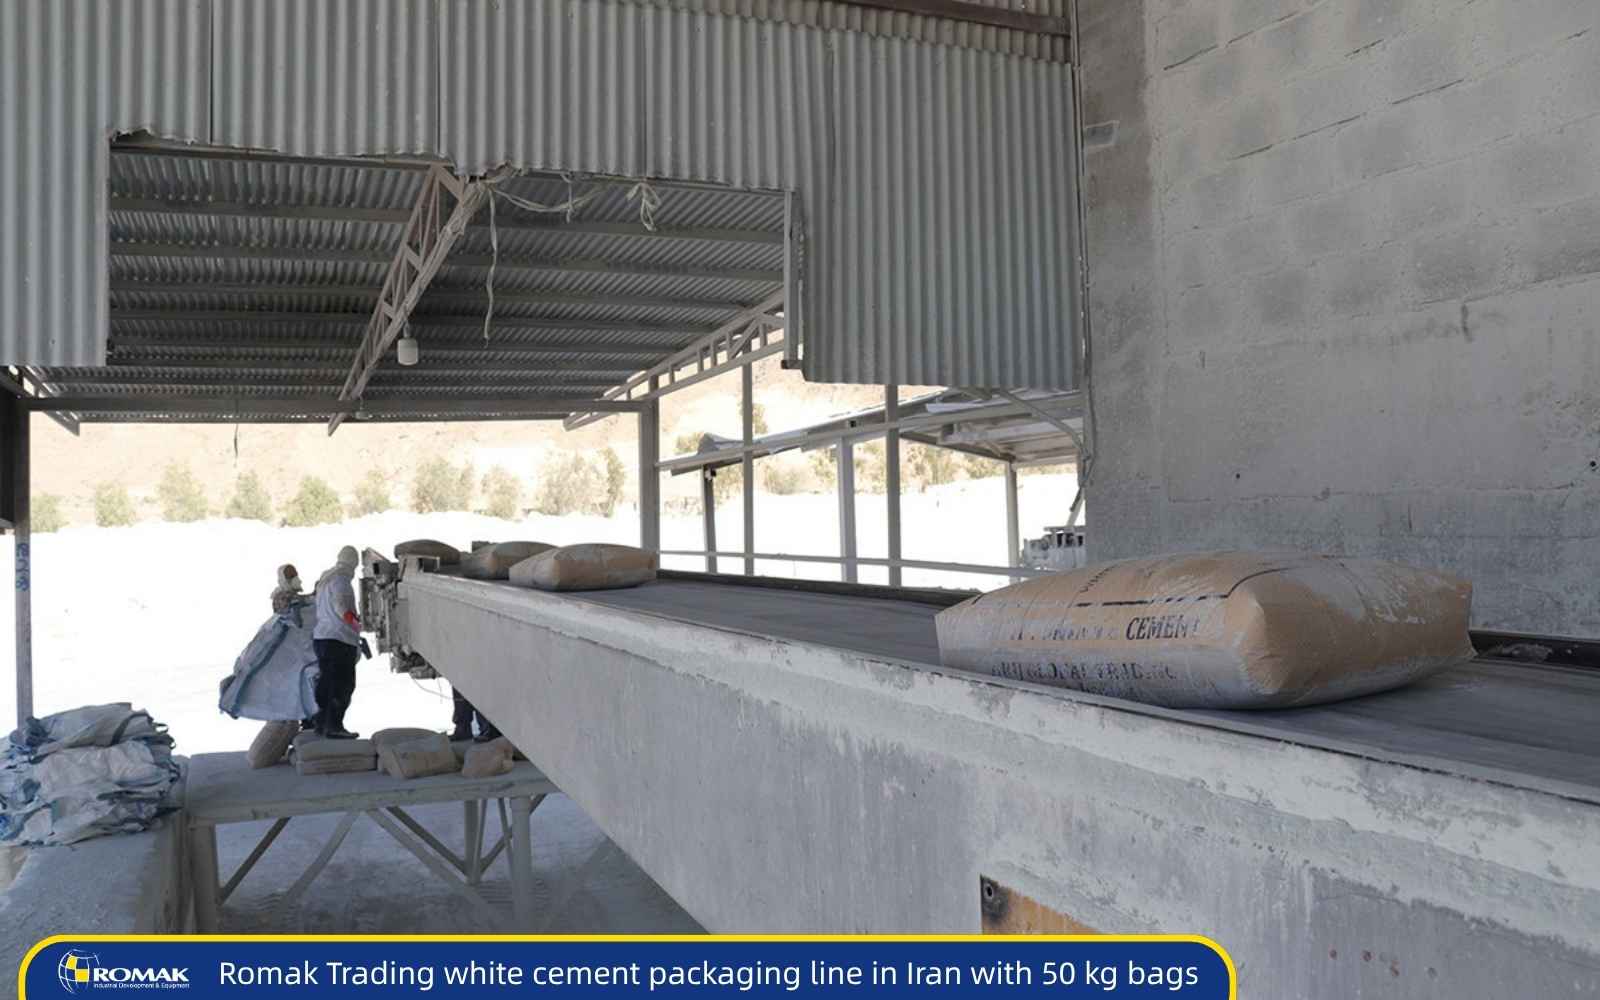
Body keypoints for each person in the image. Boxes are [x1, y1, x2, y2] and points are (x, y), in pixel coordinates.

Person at [312, 546, 366, 739]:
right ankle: (334, 726)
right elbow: (342, 609)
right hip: (339, 640)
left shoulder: (326, 578)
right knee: (342, 685)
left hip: (322, 638)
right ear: (353, 563)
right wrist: (360, 625)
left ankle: (322, 723)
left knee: (327, 683)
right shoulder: (341, 580)